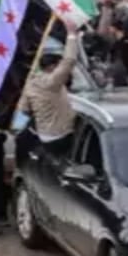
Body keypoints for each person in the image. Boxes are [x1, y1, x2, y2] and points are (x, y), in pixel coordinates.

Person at [18, 25, 81, 157]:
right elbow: (69, 60)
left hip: (44, 136)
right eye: (58, 67)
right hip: (60, 137)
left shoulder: (31, 84)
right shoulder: (52, 83)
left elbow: (24, 109)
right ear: (52, 67)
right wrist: (71, 34)